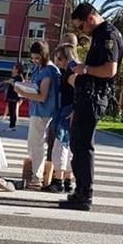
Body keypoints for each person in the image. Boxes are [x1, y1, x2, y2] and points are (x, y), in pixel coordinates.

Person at [59, 3, 123, 212]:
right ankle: (80, 192)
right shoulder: (100, 34)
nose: (81, 31)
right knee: (78, 144)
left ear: (89, 18)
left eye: (81, 26)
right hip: (88, 96)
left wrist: (84, 69)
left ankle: (84, 195)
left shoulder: (108, 35)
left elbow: (110, 70)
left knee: (83, 146)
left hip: (95, 97)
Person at [15, 40, 61, 189]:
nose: (34, 61)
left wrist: (23, 92)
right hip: (37, 110)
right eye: (33, 58)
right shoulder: (39, 68)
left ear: (44, 55)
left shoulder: (48, 70)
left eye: (37, 58)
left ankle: (37, 176)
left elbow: (42, 96)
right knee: (33, 143)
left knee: (36, 143)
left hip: (43, 111)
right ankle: (36, 174)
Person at [45, 38, 80, 194]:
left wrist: (74, 110)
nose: (56, 61)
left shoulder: (70, 72)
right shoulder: (73, 69)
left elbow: (78, 92)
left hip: (66, 111)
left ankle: (59, 180)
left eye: (59, 58)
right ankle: (67, 181)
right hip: (68, 110)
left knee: (61, 146)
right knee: (67, 147)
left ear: (66, 57)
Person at [4, 62, 24, 130]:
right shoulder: (14, 76)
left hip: (14, 96)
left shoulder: (19, 77)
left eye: (13, 68)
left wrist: (10, 82)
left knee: (13, 111)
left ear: (17, 69)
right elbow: (11, 81)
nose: (12, 69)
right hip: (11, 95)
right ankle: (11, 125)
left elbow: (17, 85)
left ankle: (12, 126)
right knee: (11, 110)